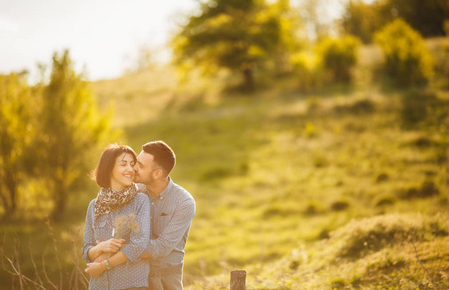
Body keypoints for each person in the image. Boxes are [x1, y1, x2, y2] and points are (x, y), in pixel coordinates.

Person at [82, 144, 151, 290]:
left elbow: (139, 245)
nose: (130, 169)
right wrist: (100, 247)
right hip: (99, 285)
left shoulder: (140, 201)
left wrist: (103, 264)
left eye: (132, 165)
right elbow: (87, 249)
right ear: (109, 168)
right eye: (123, 164)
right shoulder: (94, 206)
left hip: (131, 284)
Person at [134, 140, 195, 290]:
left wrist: (119, 253)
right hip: (135, 273)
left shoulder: (184, 202)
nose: (134, 168)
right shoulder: (134, 192)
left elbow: (161, 247)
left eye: (140, 166)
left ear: (157, 173)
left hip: (166, 277)